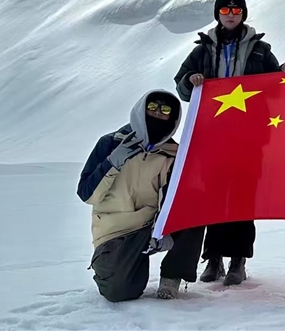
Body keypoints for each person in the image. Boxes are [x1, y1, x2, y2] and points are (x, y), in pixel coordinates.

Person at [174, 0, 285, 286]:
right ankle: (214, 258)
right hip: (212, 136)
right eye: (225, 10)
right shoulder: (202, 49)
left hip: (249, 136)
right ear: (218, 14)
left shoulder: (259, 49)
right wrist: (191, 80)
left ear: (243, 13)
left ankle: (238, 261)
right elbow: (182, 86)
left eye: (236, 10)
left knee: (243, 196)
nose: (230, 15)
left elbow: (277, 87)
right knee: (214, 196)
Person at [77, 90, 205, 301]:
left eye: (165, 110)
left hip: (150, 226)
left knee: (195, 209)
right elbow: (87, 194)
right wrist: (112, 163)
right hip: (115, 229)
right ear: (141, 109)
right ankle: (117, 267)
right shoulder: (111, 143)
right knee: (120, 293)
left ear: (172, 117)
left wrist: (163, 229)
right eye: (152, 107)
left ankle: (172, 276)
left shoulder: (173, 153)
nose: (157, 113)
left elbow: (173, 196)